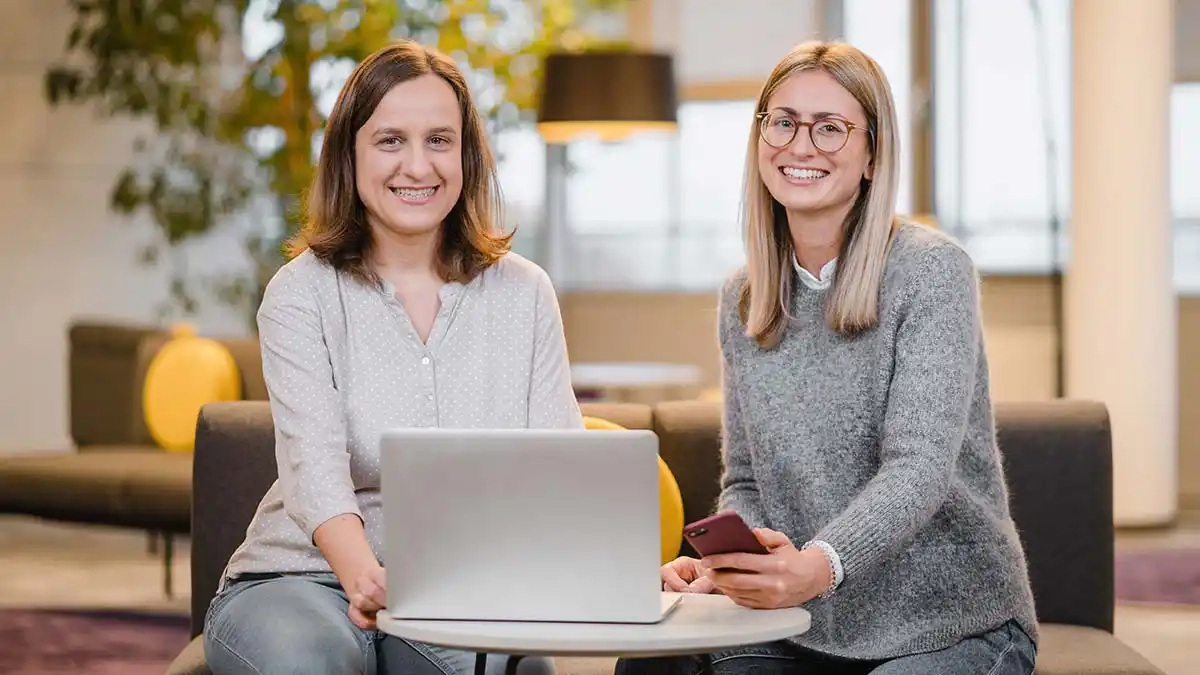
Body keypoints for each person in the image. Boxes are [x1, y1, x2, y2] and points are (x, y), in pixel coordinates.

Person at [618, 40, 1038, 675]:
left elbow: (917, 471)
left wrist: (816, 567)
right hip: (802, 625)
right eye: (782, 122)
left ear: (872, 154)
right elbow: (748, 483)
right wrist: (728, 566)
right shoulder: (746, 298)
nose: (800, 145)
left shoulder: (932, 273)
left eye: (831, 128)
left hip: (947, 623)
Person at [203, 40, 579, 675]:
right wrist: (365, 579)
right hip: (302, 579)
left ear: (466, 156)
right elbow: (313, 470)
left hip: (461, 591)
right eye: (389, 141)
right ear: (350, 155)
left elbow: (561, 469)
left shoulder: (525, 292)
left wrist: (624, 573)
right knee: (314, 662)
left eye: (439, 140)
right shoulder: (301, 294)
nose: (417, 165)